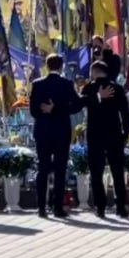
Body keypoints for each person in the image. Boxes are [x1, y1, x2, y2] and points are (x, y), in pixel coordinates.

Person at [29, 53, 84, 218]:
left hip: (43, 132)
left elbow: (33, 111)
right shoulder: (67, 84)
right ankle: (58, 207)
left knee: (43, 169)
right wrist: (59, 109)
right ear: (61, 67)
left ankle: (41, 208)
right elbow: (77, 105)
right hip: (61, 131)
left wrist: (47, 109)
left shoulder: (37, 84)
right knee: (60, 169)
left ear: (46, 66)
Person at [82, 60, 129, 218]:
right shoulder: (117, 88)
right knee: (117, 172)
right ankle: (121, 206)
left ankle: (100, 206)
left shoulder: (89, 88)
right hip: (114, 133)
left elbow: (81, 104)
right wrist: (126, 132)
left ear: (94, 72)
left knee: (96, 172)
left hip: (95, 135)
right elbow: (125, 113)